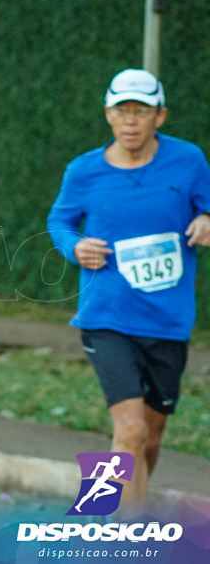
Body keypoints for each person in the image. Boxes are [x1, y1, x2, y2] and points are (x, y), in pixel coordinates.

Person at [47, 68, 210, 516]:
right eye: (123, 111)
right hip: (107, 317)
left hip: (168, 321)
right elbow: (59, 223)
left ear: (160, 115)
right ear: (108, 115)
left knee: (150, 439)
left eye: (141, 111)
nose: (131, 121)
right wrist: (74, 246)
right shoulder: (84, 170)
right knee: (131, 431)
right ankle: (106, 523)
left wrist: (206, 220)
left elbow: (208, 205)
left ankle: (123, 514)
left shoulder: (189, 161)